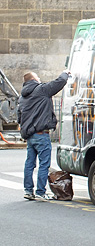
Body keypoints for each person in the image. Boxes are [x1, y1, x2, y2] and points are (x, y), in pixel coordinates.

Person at [18, 70, 70, 201]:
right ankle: (41, 191)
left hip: (30, 136)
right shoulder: (41, 90)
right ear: (34, 80)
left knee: (29, 164)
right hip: (41, 134)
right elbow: (58, 83)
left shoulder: (22, 97)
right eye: (38, 77)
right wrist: (65, 73)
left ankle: (28, 190)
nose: (40, 79)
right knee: (43, 164)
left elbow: (20, 117)